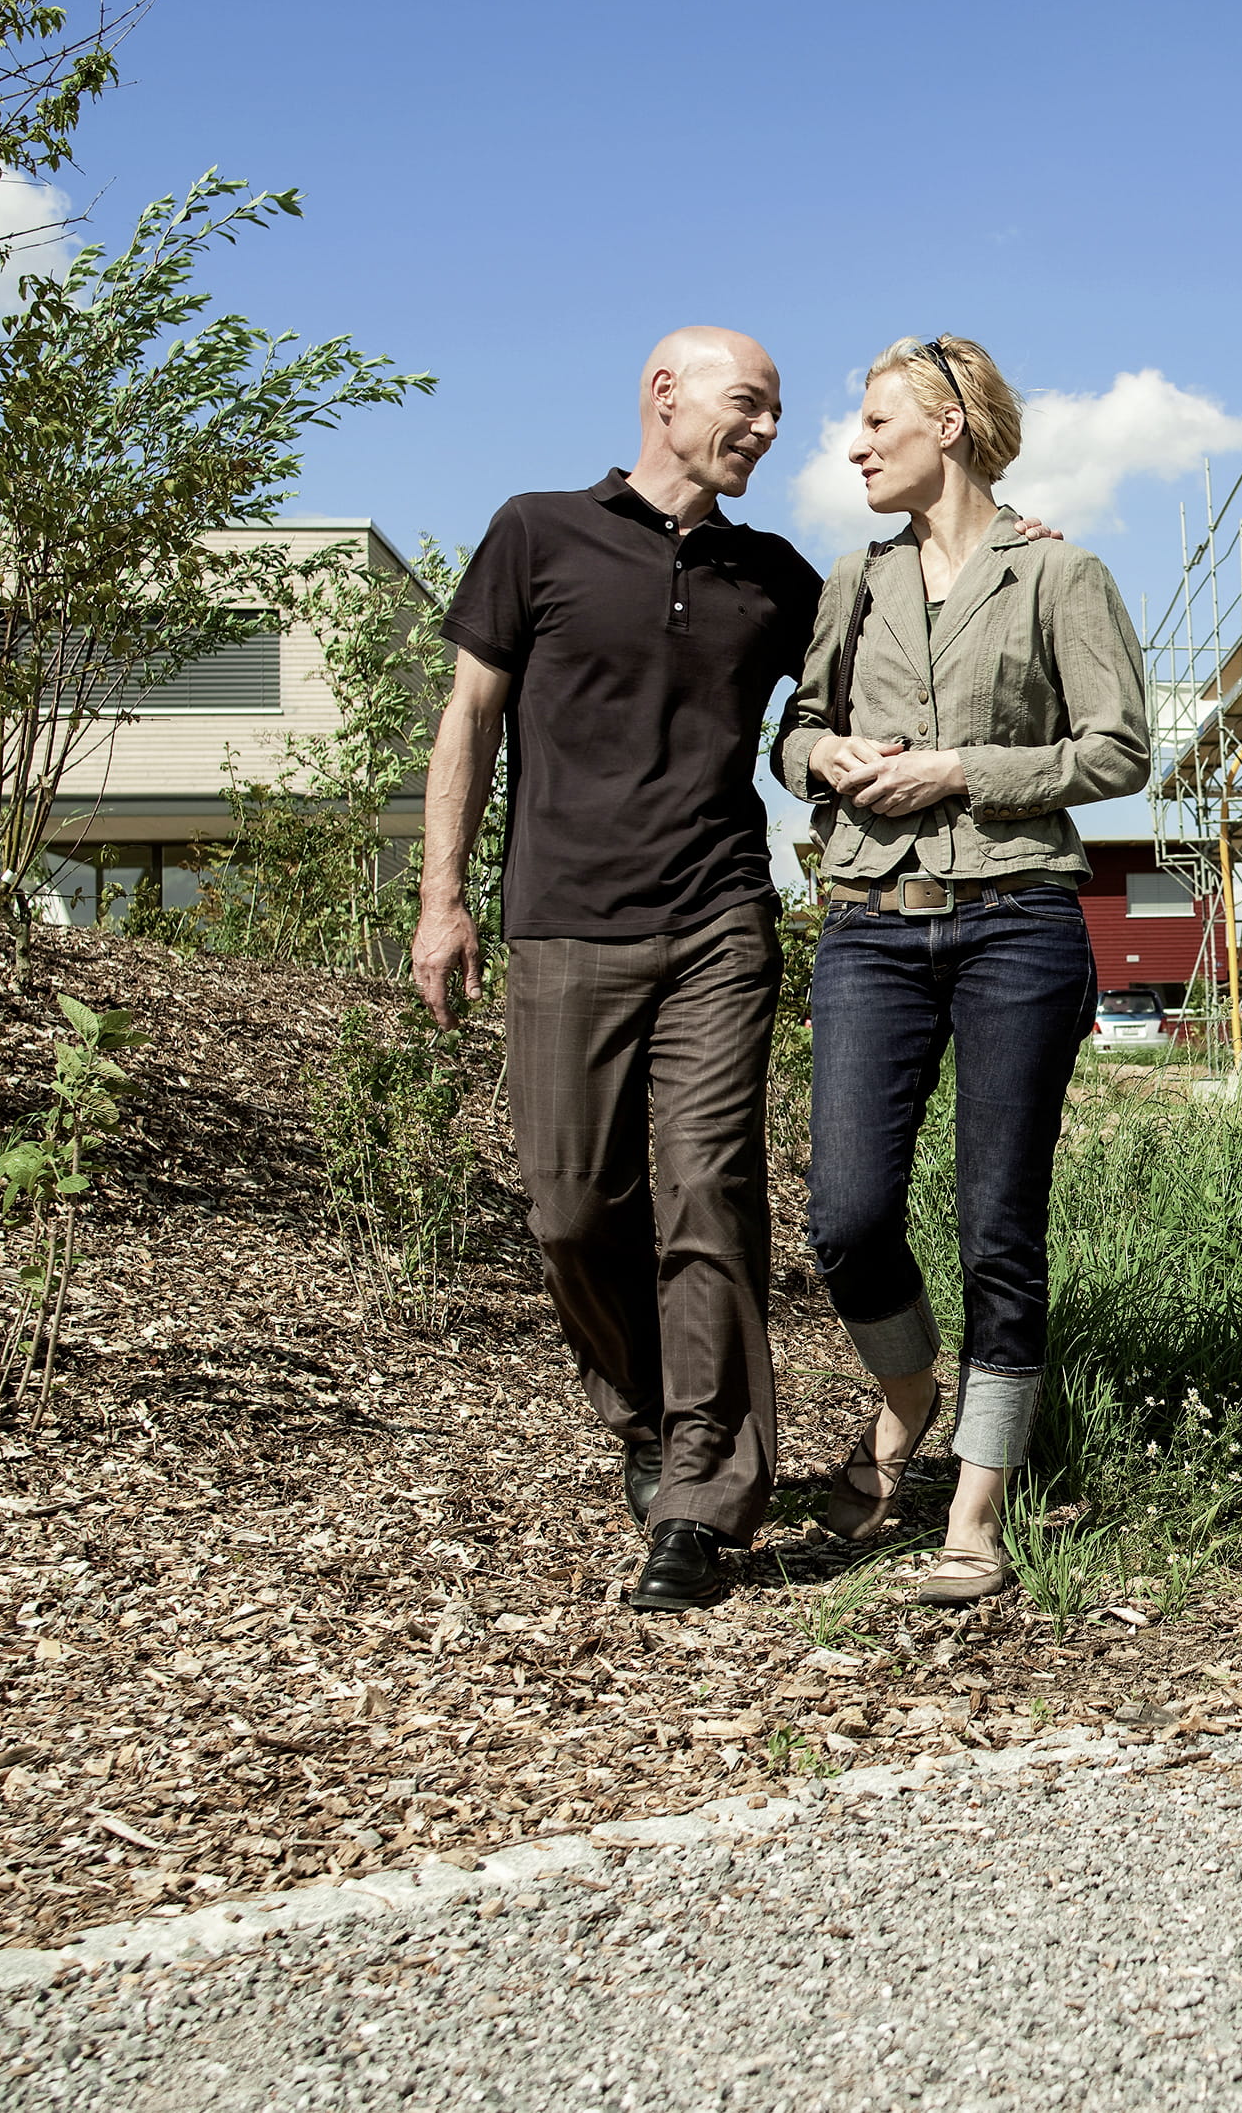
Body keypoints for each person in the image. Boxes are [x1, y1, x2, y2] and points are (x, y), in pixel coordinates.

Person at [411, 327, 817, 1615]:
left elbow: (889, 647)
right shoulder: (536, 532)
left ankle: (704, 1486)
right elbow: (469, 715)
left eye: (773, 413)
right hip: (565, 918)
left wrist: (998, 529)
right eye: (745, 404)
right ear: (665, 394)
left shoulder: (779, 576)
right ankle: (644, 1413)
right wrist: (443, 898)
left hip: (717, 919)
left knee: (710, 1189)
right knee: (570, 1208)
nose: (763, 428)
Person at [773, 332, 1149, 1605]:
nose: (856, 443)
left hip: (1016, 927)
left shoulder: (1060, 575)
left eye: (879, 421)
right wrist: (818, 761)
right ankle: (910, 1389)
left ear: (950, 426)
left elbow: (1118, 752)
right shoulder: (852, 585)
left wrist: (965, 773)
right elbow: (794, 730)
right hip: (870, 925)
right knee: (847, 1213)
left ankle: (973, 1509)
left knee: (999, 1224)